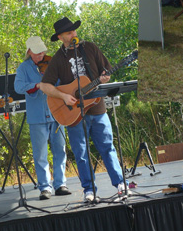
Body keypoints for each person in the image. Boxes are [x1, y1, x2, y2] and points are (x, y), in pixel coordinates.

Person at [38, 17, 125, 202]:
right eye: (69, 32)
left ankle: (120, 184)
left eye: (74, 31)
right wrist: (63, 96)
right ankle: (89, 190)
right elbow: (44, 86)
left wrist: (104, 77)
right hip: (74, 113)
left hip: (97, 107)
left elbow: (106, 69)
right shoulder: (58, 59)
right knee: (81, 152)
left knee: (107, 147)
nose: (74, 34)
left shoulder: (90, 48)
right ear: (61, 37)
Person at [14, 36, 70, 200]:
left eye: (43, 52)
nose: (41, 55)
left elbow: (63, 82)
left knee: (60, 150)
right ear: (29, 52)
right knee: (40, 154)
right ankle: (45, 187)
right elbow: (18, 87)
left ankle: (60, 184)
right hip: (37, 116)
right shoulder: (23, 68)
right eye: (38, 53)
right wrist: (37, 85)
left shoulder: (52, 63)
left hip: (57, 113)